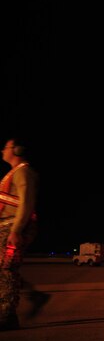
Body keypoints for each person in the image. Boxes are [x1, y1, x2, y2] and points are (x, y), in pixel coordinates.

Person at [0, 137, 39, 330]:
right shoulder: (14, 173)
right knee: (3, 270)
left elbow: (26, 202)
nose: (2, 151)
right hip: (6, 226)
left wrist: (16, 230)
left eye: (5, 147)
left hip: (12, 227)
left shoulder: (23, 173)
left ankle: (7, 315)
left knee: (7, 271)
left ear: (17, 149)